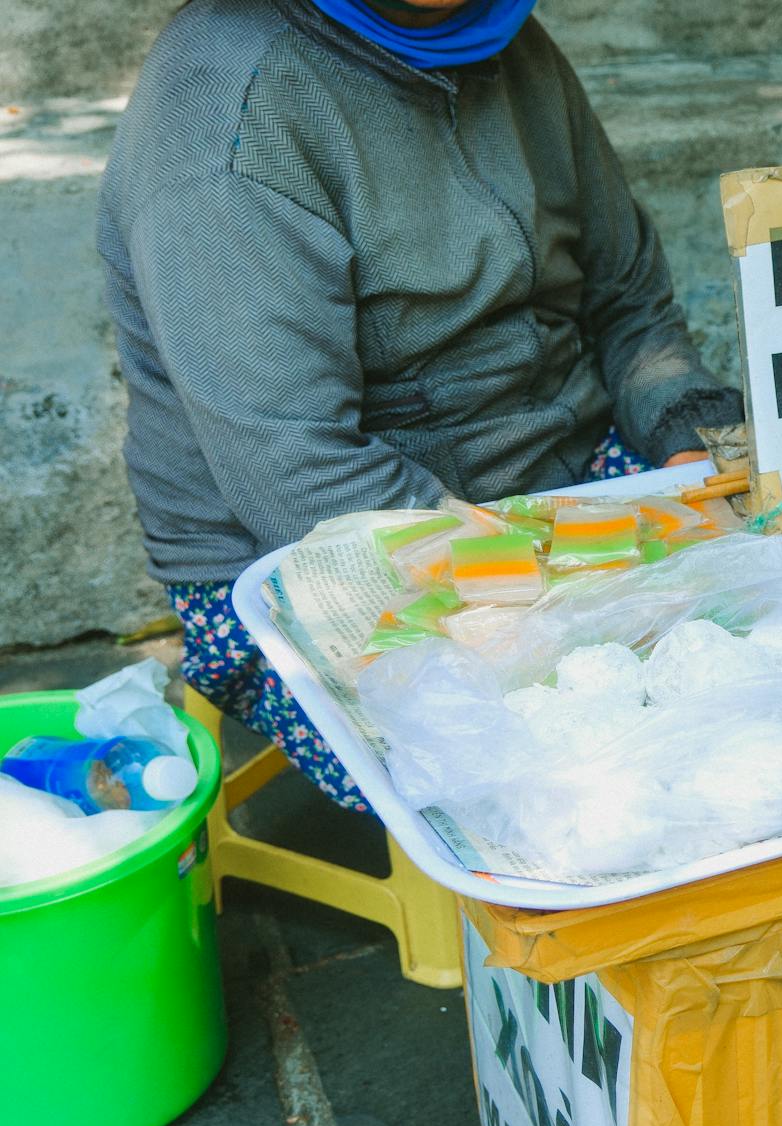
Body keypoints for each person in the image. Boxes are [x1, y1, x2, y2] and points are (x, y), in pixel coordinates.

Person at [97, 0, 740, 812]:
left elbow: (627, 299)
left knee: (780, 661)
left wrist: (694, 443)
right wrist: (538, 601)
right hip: (320, 549)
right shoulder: (226, 108)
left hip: (559, 478)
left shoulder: (497, 31)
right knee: (595, 781)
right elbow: (293, 469)